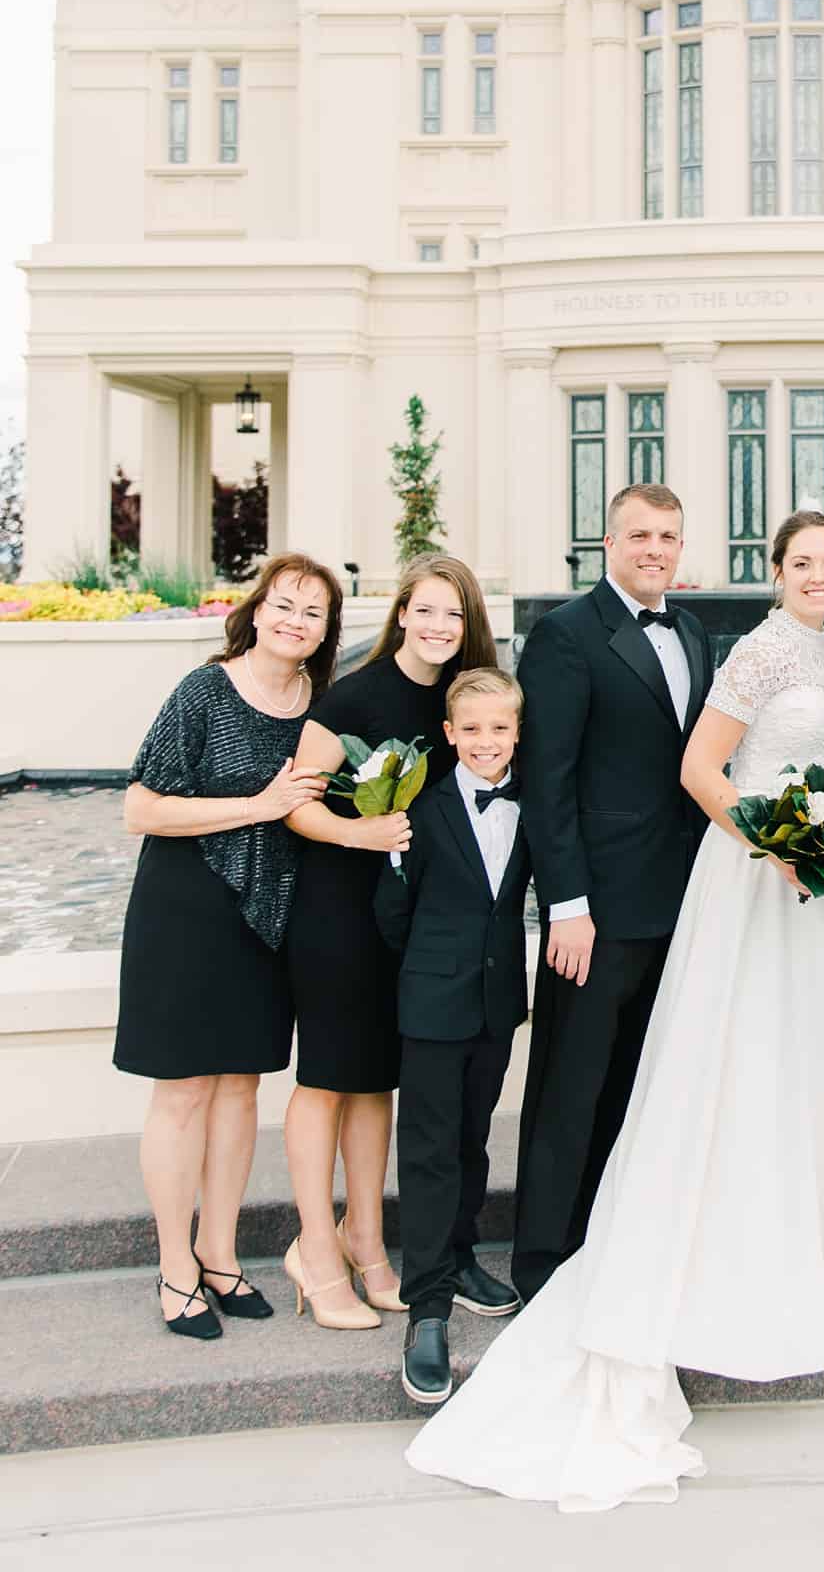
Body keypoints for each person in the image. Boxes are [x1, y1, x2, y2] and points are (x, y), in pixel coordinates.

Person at [405, 511, 824, 1510]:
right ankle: (551, 1266)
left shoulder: (717, 637)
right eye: (801, 560)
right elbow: (598, 774)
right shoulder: (608, 638)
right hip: (682, 886)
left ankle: (791, 1241)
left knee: (760, 1068)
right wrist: (579, 899)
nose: (820, 573)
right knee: (587, 1086)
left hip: (752, 889)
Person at [115, 553, 343, 1335]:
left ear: (324, 632)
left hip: (268, 917)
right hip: (186, 909)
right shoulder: (204, 690)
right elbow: (140, 808)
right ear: (257, 609)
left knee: (242, 1088)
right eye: (284, 604)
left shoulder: (323, 707)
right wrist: (257, 805)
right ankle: (174, 1267)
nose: (295, 621)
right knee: (183, 1090)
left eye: (312, 613)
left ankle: (220, 1254)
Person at [282, 554, 498, 1330]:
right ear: (401, 612)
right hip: (337, 911)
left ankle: (367, 1241)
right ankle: (313, 1246)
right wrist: (357, 831)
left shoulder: (465, 702)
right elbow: (297, 805)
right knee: (328, 1080)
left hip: (409, 924)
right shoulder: (356, 694)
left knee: (376, 1083)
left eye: (455, 615)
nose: (440, 627)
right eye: (427, 610)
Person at [509, 482, 712, 1302]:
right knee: (570, 1086)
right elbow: (546, 783)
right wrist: (565, 905)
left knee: (639, 1085)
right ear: (608, 541)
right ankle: (541, 1263)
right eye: (639, 535)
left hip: (679, 908)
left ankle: (609, 1243)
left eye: (667, 536)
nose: (654, 549)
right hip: (594, 914)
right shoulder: (564, 635)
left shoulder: (694, 630)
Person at [375, 667, 531, 1407]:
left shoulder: (532, 804)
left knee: (472, 1138)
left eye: (499, 729)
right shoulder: (420, 809)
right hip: (432, 1003)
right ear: (449, 735)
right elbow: (392, 913)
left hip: (496, 1003)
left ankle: (463, 1256)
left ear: (517, 734)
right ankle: (427, 1306)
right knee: (431, 1149)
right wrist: (430, 974)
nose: (486, 742)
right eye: (471, 730)